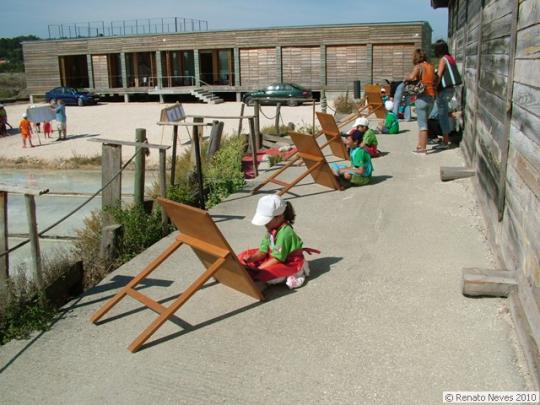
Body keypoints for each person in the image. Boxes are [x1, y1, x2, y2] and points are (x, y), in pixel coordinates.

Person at [238, 195, 318, 289]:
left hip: (288, 261)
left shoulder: (285, 233)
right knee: (243, 256)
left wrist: (259, 269)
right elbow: (263, 251)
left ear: (279, 217)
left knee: (266, 274)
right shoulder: (271, 228)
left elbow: (277, 259)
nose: (264, 224)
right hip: (274, 255)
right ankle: (254, 272)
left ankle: (292, 274)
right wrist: (250, 258)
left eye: (267, 221)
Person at [405, 49, 436, 155]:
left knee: (422, 125)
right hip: (431, 97)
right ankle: (420, 145)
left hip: (422, 97)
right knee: (424, 122)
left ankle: (423, 149)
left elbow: (411, 77)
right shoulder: (431, 66)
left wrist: (407, 77)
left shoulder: (418, 67)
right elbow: (435, 79)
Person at [433, 39, 460, 150]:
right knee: (444, 113)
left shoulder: (443, 60)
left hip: (443, 90)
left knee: (441, 116)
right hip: (451, 89)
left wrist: (434, 87)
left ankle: (446, 140)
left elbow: (438, 76)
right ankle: (448, 136)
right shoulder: (451, 58)